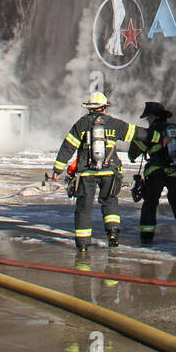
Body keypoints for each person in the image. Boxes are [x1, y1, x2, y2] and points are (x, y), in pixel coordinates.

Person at [51, 91, 138, 252]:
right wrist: (158, 137)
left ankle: (82, 244)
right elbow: (137, 134)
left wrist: (57, 169)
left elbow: (68, 147)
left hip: (86, 173)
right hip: (110, 172)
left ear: (89, 108)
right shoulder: (114, 124)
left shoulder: (81, 124)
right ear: (104, 108)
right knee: (110, 200)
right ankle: (113, 234)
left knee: (84, 206)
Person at [129, 101, 176, 244]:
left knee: (150, 203)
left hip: (155, 173)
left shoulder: (150, 132)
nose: (147, 120)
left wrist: (131, 156)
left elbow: (136, 148)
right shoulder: (174, 129)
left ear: (153, 116)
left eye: (148, 117)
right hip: (175, 172)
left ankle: (147, 235)